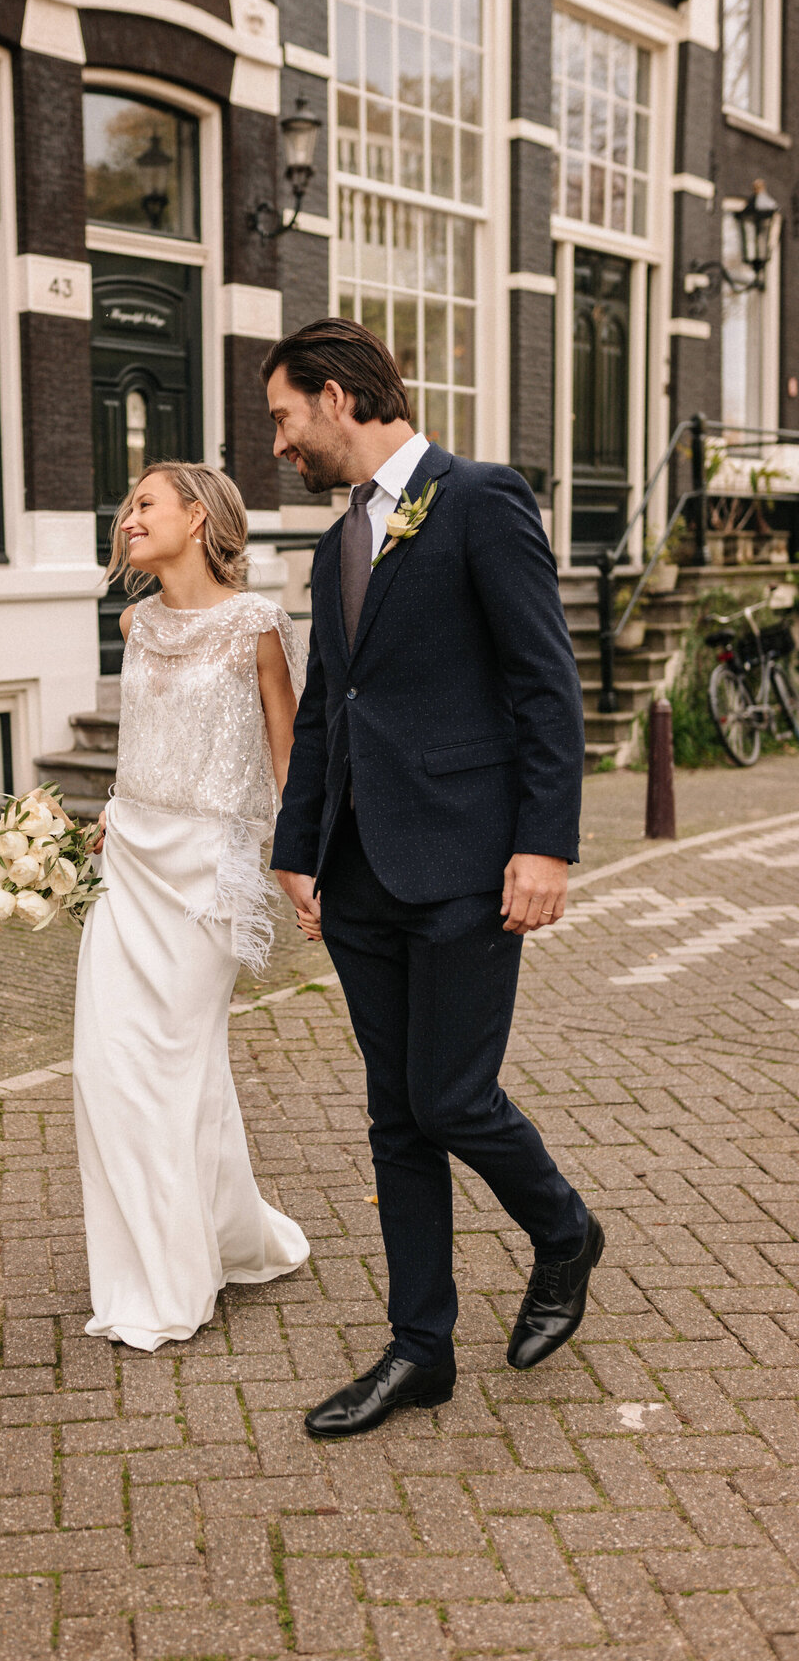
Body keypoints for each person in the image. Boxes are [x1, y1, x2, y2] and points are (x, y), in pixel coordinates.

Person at [263, 318, 601, 1437]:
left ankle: (563, 1231)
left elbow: (546, 686)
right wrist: (299, 846)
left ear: (337, 397)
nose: (279, 444)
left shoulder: (480, 500)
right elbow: (328, 706)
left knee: (452, 1097)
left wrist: (545, 844)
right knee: (396, 1119)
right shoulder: (335, 543)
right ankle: (422, 1351)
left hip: (464, 858)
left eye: (283, 417)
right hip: (357, 871)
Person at [72, 460, 310, 1351]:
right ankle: (193, 1255)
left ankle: (185, 1271)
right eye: (126, 504)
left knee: (172, 1069)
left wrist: (302, 867)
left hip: (207, 871)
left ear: (199, 518)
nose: (128, 516)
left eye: (144, 503)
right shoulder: (134, 623)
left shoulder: (257, 625)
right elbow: (143, 740)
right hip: (129, 863)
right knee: (107, 1067)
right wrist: (106, 817)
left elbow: (290, 760)